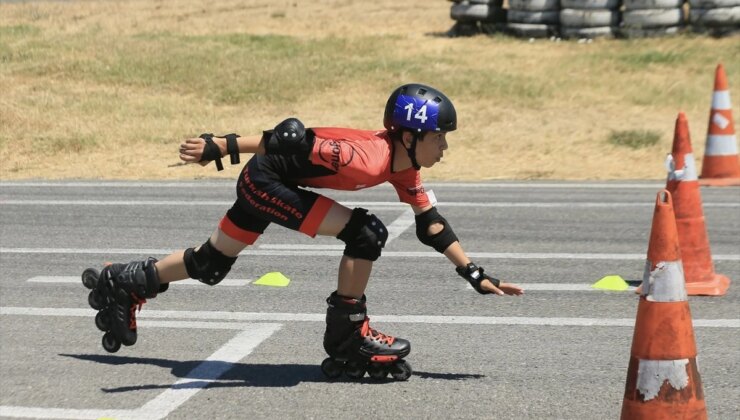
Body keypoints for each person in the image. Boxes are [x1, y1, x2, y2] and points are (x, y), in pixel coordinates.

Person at [83, 83, 524, 380]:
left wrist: (473, 274)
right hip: (267, 180)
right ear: (409, 136)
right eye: (439, 138)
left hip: (273, 182)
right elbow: (291, 137)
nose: (445, 147)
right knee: (366, 233)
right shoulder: (365, 157)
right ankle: (349, 335)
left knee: (211, 265)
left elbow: (431, 226)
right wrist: (223, 145)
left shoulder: (404, 167)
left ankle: (123, 281)